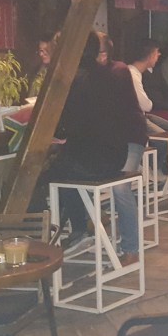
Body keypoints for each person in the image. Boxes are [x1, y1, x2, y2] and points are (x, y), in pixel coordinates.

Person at [48, 31, 139, 263]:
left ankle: (79, 230)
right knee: (61, 166)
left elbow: (65, 125)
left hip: (94, 160)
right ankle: (87, 224)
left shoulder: (74, 79)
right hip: (116, 153)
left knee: (50, 172)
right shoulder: (110, 74)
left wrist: (59, 136)